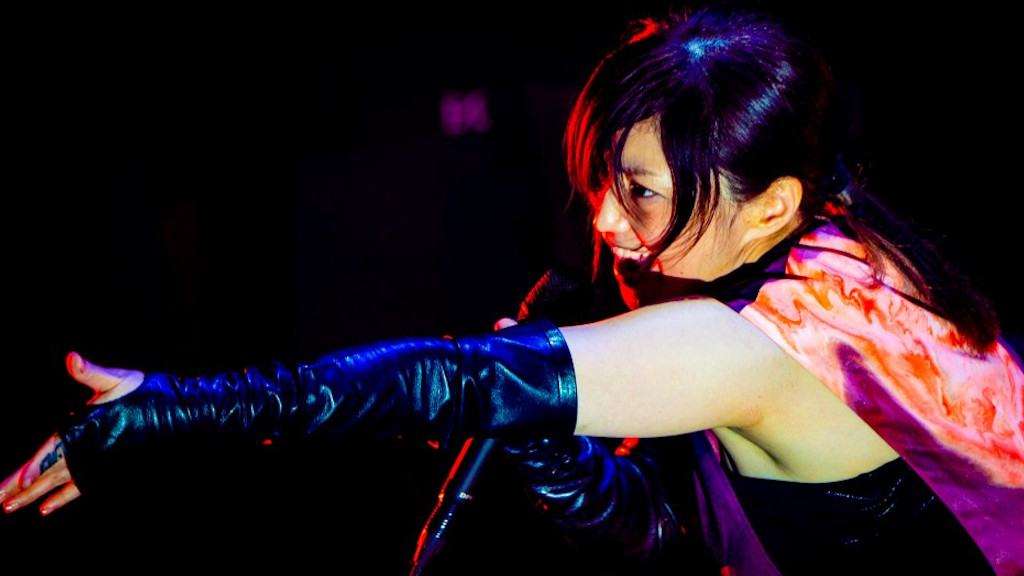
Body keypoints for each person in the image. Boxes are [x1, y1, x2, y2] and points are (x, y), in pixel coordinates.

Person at [3, 3, 1022, 575]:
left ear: (769, 204)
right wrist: (547, 438)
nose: (605, 220)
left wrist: (170, 415)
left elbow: (441, 380)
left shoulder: (757, 342)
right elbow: (671, 525)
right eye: (604, 180)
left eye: (640, 192)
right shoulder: (848, 253)